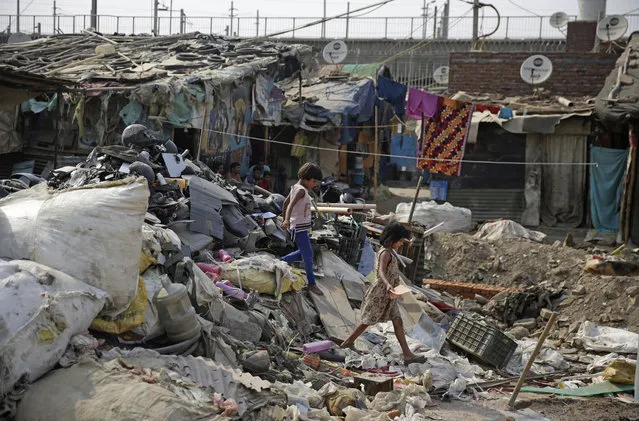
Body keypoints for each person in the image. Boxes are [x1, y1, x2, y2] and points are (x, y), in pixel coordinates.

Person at [340, 222, 426, 364]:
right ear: (392, 239)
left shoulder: (392, 252)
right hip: (380, 294)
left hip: (389, 295)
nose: (401, 244)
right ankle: (348, 342)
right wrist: (387, 285)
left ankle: (407, 355)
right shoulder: (385, 253)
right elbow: (380, 272)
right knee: (367, 321)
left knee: (398, 321)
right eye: (400, 241)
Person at [281, 163, 323, 296]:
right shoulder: (300, 190)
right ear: (306, 178)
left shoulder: (296, 187)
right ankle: (311, 283)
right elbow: (290, 206)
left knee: (305, 252)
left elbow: (285, 203)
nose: (314, 184)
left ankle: (280, 261)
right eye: (314, 181)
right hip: (298, 228)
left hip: (300, 227)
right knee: (308, 254)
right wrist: (286, 220)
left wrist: (286, 219)